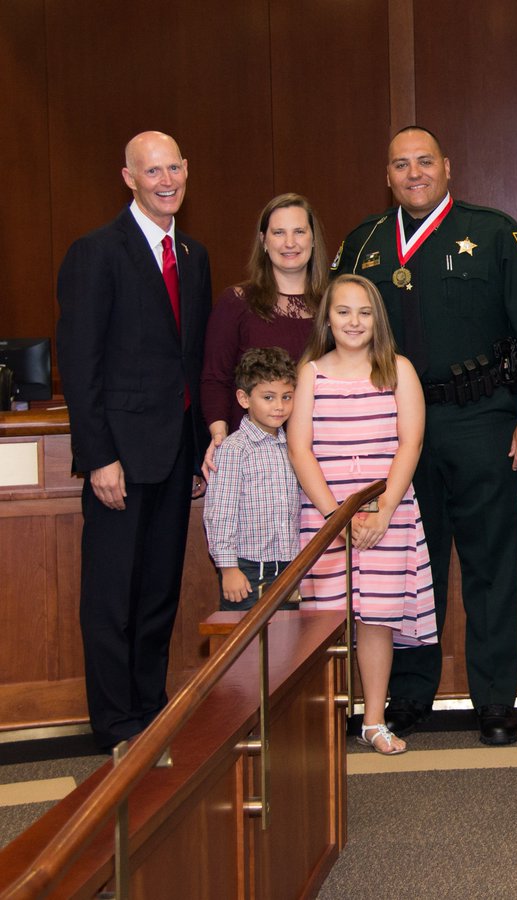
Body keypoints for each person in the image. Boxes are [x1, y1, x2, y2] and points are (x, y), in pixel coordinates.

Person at [332, 126, 517, 746]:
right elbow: (333, 333)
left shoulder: (493, 232)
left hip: (481, 419)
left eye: (424, 161)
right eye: (401, 165)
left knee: (489, 565)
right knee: (406, 564)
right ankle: (408, 695)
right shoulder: (364, 243)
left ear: (447, 167)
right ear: (388, 176)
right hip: (391, 427)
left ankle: (494, 701)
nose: (414, 173)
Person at [56, 131, 212, 751]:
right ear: (129, 178)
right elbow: (80, 364)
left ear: (186, 169)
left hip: (174, 455)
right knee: (111, 596)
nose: (166, 181)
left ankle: (149, 711)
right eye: (152, 171)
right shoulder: (96, 252)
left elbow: (190, 360)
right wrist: (99, 457)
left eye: (174, 168)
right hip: (119, 458)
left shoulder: (193, 255)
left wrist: (196, 448)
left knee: (158, 593)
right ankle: (116, 722)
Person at [289, 275, 436, 755]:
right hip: (326, 517)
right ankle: (323, 725)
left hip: (386, 517)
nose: (354, 322)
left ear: (378, 319)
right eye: (343, 311)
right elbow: (299, 449)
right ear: (327, 319)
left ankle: (373, 721)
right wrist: (336, 517)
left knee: (376, 620)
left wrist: (384, 511)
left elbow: (411, 442)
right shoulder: (310, 373)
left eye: (364, 312)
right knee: (324, 622)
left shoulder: (398, 370)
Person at [201, 193, 327, 475]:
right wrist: (219, 437)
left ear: (313, 239)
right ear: (263, 241)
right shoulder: (236, 302)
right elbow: (215, 378)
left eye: (299, 231)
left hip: (322, 455)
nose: (290, 243)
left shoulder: (334, 306)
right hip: (255, 460)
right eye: (279, 233)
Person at [202, 347, 301, 611]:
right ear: (244, 398)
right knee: (247, 636)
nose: (279, 406)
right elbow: (219, 513)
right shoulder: (234, 449)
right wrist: (228, 568)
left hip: (289, 566)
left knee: (289, 635)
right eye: (268, 397)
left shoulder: (292, 446)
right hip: (247, 569)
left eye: (287, 397)